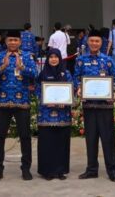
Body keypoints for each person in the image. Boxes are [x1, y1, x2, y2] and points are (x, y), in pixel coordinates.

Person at [0, 29, 37, 182]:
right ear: (6, 42)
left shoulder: (27, 57)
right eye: (10, 40)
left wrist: (22, 67)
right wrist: (2, 67)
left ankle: (26, 169)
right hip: (3, 101)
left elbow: (35, 74)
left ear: (20, 42)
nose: (13, 43)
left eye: (16, 40)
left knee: (25, 136)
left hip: (22, 102)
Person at [73, 29, 115, 182]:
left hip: (105, 107)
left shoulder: (108, 60)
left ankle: (112, 170)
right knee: (91, 140)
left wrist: (112, 90)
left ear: (101, 43)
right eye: (92, 41)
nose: (94, 43)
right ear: (88, 42)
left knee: (108, 140)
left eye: (97, 41)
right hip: (89, 106)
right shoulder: (80, 60)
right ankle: (92, 169)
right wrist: (78, 88)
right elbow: (75, 78)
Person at [35, 48, 72, 180]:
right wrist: (45, 100)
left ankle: (60, 170)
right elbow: (38, 91)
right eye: (51, 57)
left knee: (61, 143)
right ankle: (47, 171)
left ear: (60, 58)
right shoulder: (42, 74)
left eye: (56, 57)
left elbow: (71, 89)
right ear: (48, 59)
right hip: (46, 115)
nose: (54, 59)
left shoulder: (66, 73)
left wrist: (66, 101)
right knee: (47, 143)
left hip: (63, 115)